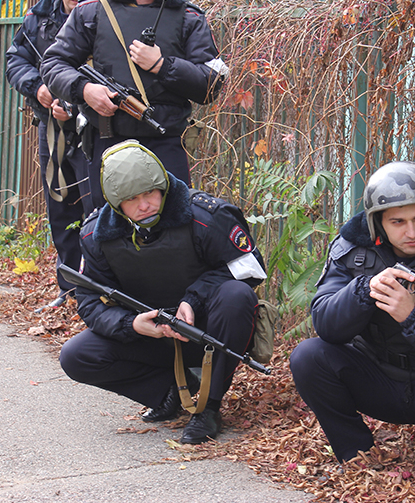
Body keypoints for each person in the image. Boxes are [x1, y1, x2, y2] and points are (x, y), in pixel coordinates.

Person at [289, 161, 415, 481]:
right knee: (308, 356)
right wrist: (363, 290)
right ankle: (355, 453)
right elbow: (325, 325)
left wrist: (411, 316)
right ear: (378, 223)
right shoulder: (353, 248)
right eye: (398, 222)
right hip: (375, 376)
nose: (411, 232)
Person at [59, 140, 264, 444]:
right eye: (132, 199)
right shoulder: (96, 235)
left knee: (237, 296)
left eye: (150, 193)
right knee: (76, 355)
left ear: (163, 186)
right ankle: (168, 392)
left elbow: (250, 266)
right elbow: (88, 300)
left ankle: (208, 407)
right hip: (149, 337)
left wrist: (193, 298)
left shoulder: (206, 216)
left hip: (208, 331)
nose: (145, 205)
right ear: (116, 203)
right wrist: (131, 325)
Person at [41, 0, 227, 205]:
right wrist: (85, 91)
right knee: (105, 236)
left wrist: (163, 66)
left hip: (166, 144)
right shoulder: (93, 11)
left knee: (172, 233)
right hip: (107, 142)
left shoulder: (190, 17)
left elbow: (210, 85)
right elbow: (54, 64)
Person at [5, 0, 102, 303]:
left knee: (97, 205)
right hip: (53, 129)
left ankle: (97, 286)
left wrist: (75, 102)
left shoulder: (104, 15)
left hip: (95, 130)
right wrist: (39, 89)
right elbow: (16, 60)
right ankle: (68, 286)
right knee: (60, 204)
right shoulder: (38, 17)